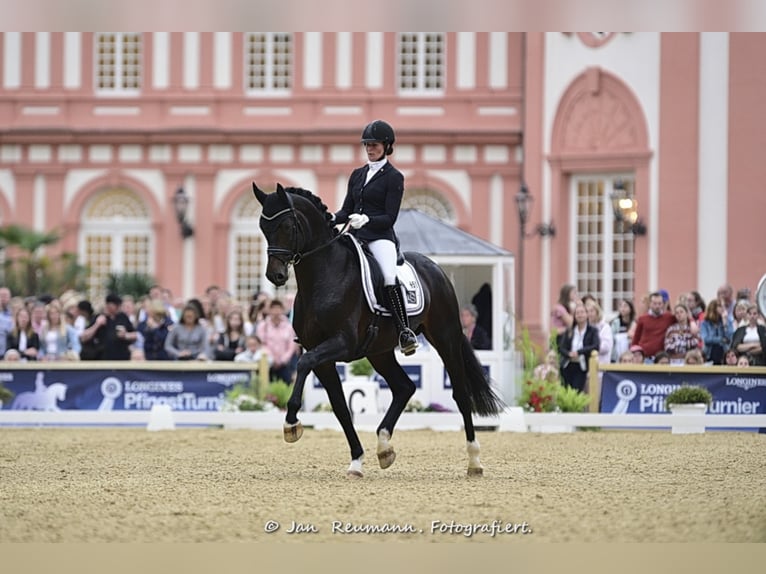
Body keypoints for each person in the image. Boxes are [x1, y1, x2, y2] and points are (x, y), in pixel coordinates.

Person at [332, 119, 418, 356]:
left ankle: (404, 332)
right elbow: (346, 209)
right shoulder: (357, 175)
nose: (370, 149)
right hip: (355, 235)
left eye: (375, 145)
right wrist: (331, 218)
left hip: (379, 236)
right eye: (367, 145)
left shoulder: (394, 177)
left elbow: (390, 217)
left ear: (387, 146)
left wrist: (367, 219)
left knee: (389, 277)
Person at [79, 293, 137, 360]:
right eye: (116, 305)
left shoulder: (123, 317)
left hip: (122, 358)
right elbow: (83, 338)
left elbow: (135, 335)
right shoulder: (99, 317)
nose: (118, 307)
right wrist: (97, 325)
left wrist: (126, 335)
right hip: (103, 358)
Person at [557, 302, 600, 392]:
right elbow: (561, 347)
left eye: (582, 312)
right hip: (567, 364)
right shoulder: (570, 330)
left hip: (581, 365)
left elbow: (596, 346)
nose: (580, 315)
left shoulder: (592, 331)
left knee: (576, 391)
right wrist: (569, 354)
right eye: (577, 313)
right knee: (565, 390)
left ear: (587, 315)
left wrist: (579, 352)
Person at [256, 299, 299, 383]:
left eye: (278, 308)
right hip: (268, 363)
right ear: (269, 310)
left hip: (285, 364)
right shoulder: (263, 326)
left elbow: (291, 345)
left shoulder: (288, 327)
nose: (276, 311)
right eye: (273, 308)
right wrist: (273, 358)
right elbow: (262, 344)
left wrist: (283, 359)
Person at [631, 291, 676, 362]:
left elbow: (682, 319)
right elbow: (636, 338)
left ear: (663, 304)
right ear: (650, 304)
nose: (657, 306)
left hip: (661, 359)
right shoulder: (642, 318)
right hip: (645, 357)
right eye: (654, 303)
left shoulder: (669, 317)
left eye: (659, 303)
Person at [700, 299, 733, 365]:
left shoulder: (727, 320)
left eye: (724, 306)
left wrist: (725, 324)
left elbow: (730, 338)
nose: (723, 308)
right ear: (713, 308)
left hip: (724, 352)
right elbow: (706, 339)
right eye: (720, 306)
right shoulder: (705, 323)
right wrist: (721, 339)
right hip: (709, 353)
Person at [585, 299, 613, 365]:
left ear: (597, 312)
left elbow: (605, 347)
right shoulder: (585, 327)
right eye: (587, 312)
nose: (589, 314)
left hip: (601, 364)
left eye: (591, 311)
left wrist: (588, 348)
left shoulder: (605, 327)